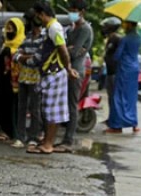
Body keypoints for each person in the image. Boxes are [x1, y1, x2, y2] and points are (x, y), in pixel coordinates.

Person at [29, 1, 78, 154]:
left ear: (42, 14)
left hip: (55, 73)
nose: (38, 18)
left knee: (52, 111)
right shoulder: (51, 27)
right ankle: (46, 141)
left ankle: (48, 144)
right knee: (48, 109)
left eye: (38, 15)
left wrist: (68, 68)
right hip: (51, 73)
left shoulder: (54, 28)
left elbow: (62, 49)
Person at [57, 0, 93, 151]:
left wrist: (65, 49)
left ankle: (68, 140)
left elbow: (73, 52)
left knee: (72, 106)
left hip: (76, 71)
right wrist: (66, 49)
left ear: (81, 12)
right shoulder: (72, 29)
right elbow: (67, 49)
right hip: (66, 70)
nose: (70, 13)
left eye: (74, 10)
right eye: (70, 9)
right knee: (62, 105)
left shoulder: (85, 29)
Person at [13, 9, 46, 150]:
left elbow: (38, 59)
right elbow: (16, 55)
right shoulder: (27, 37)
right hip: (24, 76)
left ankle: (33, 137)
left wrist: (24, 57)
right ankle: (20, 137)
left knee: (35, 108)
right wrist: (25, 57)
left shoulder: (44, 37)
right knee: (21, 107)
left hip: (37, 77)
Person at [0, 18, 24, 144]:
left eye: (12, 29)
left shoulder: (21, 44)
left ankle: (15, 134)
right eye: (7, 28)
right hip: (1, 82)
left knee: (13, 109)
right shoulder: (5, 44)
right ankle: (7, 131)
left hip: (14, 83)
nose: (9, 31)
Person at [105, 20, 141, 134]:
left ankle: (116, 126)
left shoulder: (125, 39)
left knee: (119, 97)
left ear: (130, 25)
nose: (124, 25)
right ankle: (134, 124)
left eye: (125, 23)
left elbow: (117, 55)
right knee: (132, 97)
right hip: (135, 68)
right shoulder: (138, 38)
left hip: (124, 69)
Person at [101, 17, 123, 126]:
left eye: (106, 26)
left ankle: (115, 121)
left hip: (115, 72)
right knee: (110, 97)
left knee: (114, 97)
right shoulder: (110, 39)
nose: (104, 28)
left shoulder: (117, 39)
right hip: (109, 72)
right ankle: (111, 118)